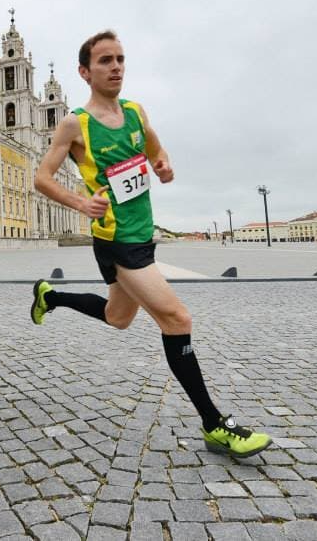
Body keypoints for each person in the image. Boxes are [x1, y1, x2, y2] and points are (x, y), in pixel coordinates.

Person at [31, 30, 271, 459]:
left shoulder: (136, 112)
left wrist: (163, 167)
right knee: (176, 318)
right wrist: (78, 201)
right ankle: (215, 425)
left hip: (144, 232)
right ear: (85, 72)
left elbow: (158, 153)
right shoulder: (75, 123)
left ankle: (52, 296)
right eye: (105, 60)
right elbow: (42, 177)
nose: (116, 66)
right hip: (116, 239)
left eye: (120, 58)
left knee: (117, 317)